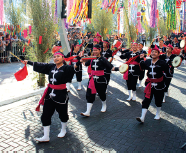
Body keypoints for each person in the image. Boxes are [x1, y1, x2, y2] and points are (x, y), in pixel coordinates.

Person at [22, 51, 82, 142]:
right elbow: (40, 65)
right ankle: (46, 136)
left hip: (61, 94)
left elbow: (74, 67)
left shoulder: (66, 68)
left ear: (62, 58)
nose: (56, 58)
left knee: (63, 114)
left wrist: (79, 61)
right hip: (49, 94)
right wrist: (28, 62)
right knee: (45, 115)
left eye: (58, 56)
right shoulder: (51, 67)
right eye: (54, 57)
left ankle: (63, 129)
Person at [80, 44, 119, 117]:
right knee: (89, 94)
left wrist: (119, 69)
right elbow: (85, 64)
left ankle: (104, 104)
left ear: (99, 50)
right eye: (93, 50)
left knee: (101, 94)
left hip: (101, 79)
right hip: (92, 79)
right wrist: (82, 59)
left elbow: (111, 67)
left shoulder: (103, 59)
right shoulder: (91, 58)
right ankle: (88, 112)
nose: (94, 52)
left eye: (96, 50)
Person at [136, 45, 171, 123]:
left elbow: (167, 73)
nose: (154, 53)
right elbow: (142, 66)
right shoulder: (148, 61)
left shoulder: (162, 62)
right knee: (146, 100)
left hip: (159, 85)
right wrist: (141, 58)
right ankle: (142, 117)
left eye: (156, 52)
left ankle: (158, 113)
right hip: (150, 84)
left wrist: (162, 80)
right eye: (152, 52)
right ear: (150, 53)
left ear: (158, 54)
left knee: (158, 100)